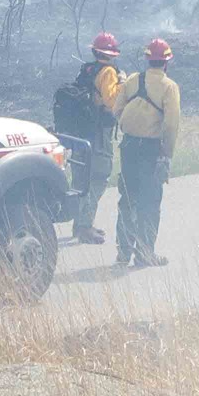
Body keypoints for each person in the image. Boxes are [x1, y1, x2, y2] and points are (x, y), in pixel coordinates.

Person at [113, 37, 186, 269]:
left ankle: (123, 253)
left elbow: (117, 110)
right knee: (149, 203)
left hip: (128, 147)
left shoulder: (133, 80)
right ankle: (145, 254)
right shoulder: (169, 87)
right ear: (166, 63)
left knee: (127, 200)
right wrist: (166, 155)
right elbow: (171, 125)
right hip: (151, 151)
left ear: (147, 60)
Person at [49, 33, 123, 246]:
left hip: (80, 134)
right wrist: (123, 84)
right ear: (112, 53)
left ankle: (80, 224)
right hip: (98, 134)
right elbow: (112, 101)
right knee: (98, 177)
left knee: (81, 178)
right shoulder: (108, 72)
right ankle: (85, 226)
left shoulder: (87, 70)